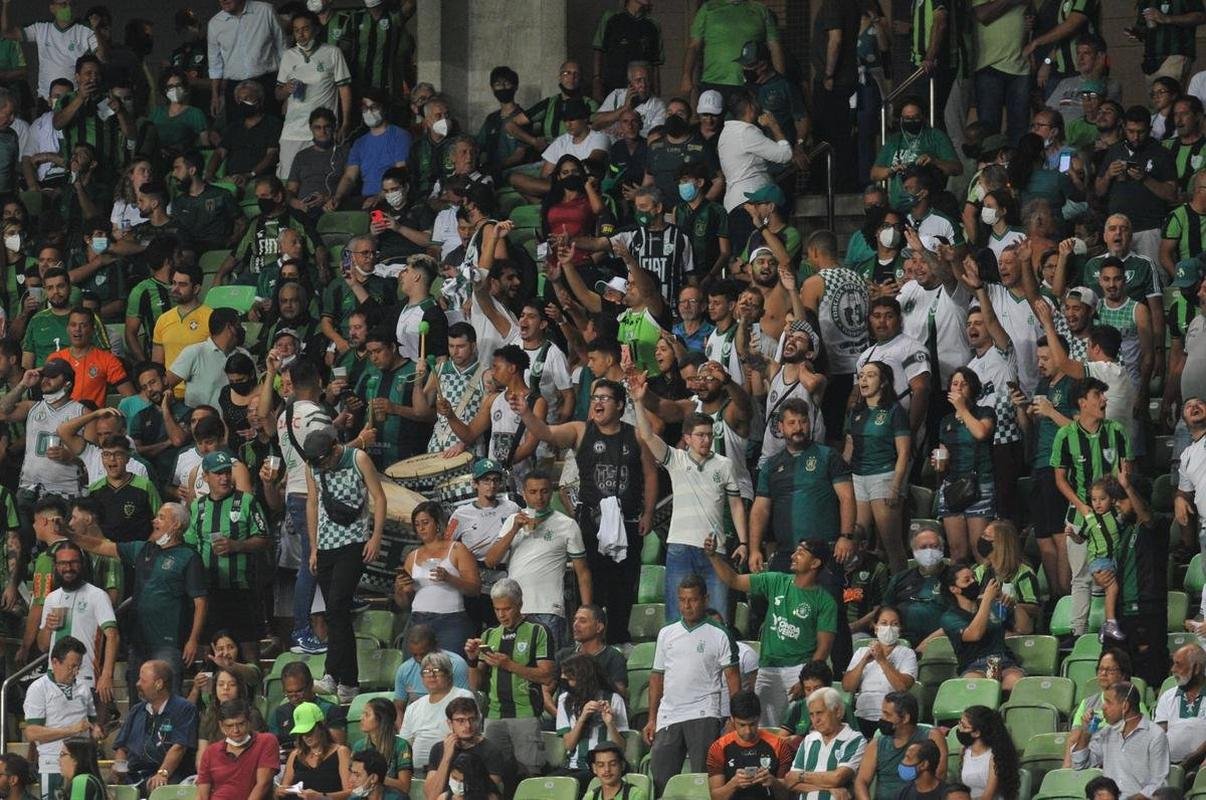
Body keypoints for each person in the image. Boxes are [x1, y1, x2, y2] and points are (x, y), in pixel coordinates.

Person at [514, 377, 655, 645]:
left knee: (623, 589)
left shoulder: (636, 435)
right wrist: (526, 414)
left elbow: (650, 474)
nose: (597, 403)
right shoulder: (580, 430)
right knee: (593, 587)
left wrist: (648, 513)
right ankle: (589, 643)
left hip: (627, 521)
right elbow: (546, 433)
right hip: (591, 523)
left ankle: (618, 644)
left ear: (620, 405)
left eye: (604, 398)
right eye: (594, 398)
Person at [746, 397, 854, 668]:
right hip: (787, 553)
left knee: (833, 613)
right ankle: (781, 668)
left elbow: (847, 497)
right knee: (773, 610)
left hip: (824, 553)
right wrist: (754, 548)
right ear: (780, 427)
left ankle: (841, 675)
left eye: (803, 421)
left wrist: (846, 536)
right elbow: (760, 509)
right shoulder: (771, 465)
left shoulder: (828, 456)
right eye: (792, 422)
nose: (798, 428)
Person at [630, 374, 744, 621]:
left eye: (709, 435)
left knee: (718, 619)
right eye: (700, 435)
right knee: (677, 618)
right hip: (680, 547)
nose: (706, 440)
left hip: (715, 549)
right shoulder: (676, 459)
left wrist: (744, 541)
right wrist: (638, 402)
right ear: (687, 438)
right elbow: (648, 436)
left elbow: (736, 505)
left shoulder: (724, 464)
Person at [74, 503, 206, 688]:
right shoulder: (143, 549)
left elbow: (200, 602)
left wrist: (193, 640)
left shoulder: (189, 557)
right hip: (138, 642)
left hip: (168, 643)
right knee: (137, 696)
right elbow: (100, 545)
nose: (154, 521)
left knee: (166, 696)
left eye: (161, 517)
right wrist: (69, 535)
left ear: (176, 524)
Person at [302, 426, 385, 704]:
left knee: (338, 605)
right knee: (334, 613)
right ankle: (335, 676)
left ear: (335, 447)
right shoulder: (312, 466)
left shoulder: (357, 458)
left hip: (354, 541)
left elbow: (379, 497)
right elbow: (312, 503)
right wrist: (313, 546)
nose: (323, 466)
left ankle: (345, 679)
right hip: (325, 544)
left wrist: (375, 536)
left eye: (325, 460)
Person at [643, 574, 739, 796]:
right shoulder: (666, 633)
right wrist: (652, 718)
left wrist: (734, 718)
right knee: (661, 782)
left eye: (693, 600)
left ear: (705, 599)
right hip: (669, 715)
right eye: (682, 600)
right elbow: (657, 677)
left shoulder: (720, 634)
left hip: (704, 712)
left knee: (704, 781)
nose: (687, 606)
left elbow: (734, 680)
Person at [484, 472, 589, 652]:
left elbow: (583, 572)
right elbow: (490, 560)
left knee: (550, 664)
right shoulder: (512, 521)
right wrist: (514, 530)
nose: (539, 497)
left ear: (551, 493)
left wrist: (586, 611)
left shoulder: (567, 525)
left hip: (549, 609)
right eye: (533, 492)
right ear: (524, 494)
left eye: (544, 491)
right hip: (515, 610)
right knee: (519, 662)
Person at [465, 578, 553, 778]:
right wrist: (472, 660)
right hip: (493, 716)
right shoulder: (488, 635)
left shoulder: (538, 631)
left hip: (525, 713)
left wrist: (509, 665)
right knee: (494, 775)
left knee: (530, 775)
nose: (501, 615)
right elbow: (475, 683)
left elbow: (547, 676)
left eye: (507, 609)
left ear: (520, 604)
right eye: (497, 609)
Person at [843, 361, 911, 573]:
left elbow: (904, 452)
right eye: (861, 375)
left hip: (884, 476)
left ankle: (900, 586)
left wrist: (896, 487)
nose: (863, 379)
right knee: (855, 536)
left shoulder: (894, 411)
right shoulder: (855, 412)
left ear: (883, 383)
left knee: (891, 543)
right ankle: (858, 586)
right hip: (858, 477)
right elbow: (848, 451)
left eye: (870, 375)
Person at [395, 501, 479, 661]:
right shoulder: (412, 556)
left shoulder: (457, 549)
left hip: (451, 620)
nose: (421, 528)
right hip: (418, 619)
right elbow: (403, 603)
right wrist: (401, 590)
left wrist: (449, 578)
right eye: (417, 524)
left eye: (425, 522)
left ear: (438, 523)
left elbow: (474, 588)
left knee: (450, 666)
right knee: (415, 668)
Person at [273, 11, 351, 180]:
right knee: (288, 178)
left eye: (305, 29)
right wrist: (286, 89)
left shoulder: (332, 52)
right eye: (296, 30)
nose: (301, 34)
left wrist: (345, 124)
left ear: (316, 29)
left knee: (321, 179)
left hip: (322, 130)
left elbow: (344, 89)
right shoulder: (289, 56)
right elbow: (278, 94)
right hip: (293, 130)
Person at [36, 541, 117, 700]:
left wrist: (107, 675)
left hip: (85, 678)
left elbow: (113, 636)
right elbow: (43, 646)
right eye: (62, 563)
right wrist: (47, 628)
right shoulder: (51, 598)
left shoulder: (97, 595)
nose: (68, 568)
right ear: (56, 566)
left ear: (82, 564)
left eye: (73, 562)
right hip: (54, 679)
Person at [23, 636, 99, 800]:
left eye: (78, 666)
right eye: (71, 666)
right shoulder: (39, 688)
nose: (76, 671)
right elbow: (32, 732)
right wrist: (71, 730)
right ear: (55, 662)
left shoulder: (83, 688)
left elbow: (93, 723)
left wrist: (97, 730)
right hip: (53, 764)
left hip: (83, 764)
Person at [716, 89, 792, 250]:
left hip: (734, 203)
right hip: (750, 204)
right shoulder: (746, 132)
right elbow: (785, 155)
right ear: (750, 107)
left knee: (746, 256)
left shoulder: (726, 132)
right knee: (758, 254)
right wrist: (774, 125)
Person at [1071, 682, 1171, 797]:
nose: (1103, 707)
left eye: (1108, 702)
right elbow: (1080, 764)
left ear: (1125, 706)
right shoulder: (1106, 732)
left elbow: (1159, 783)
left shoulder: (1155, 735)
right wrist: (1086, 733)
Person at [114, 660, 199, 789]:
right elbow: (121, 747)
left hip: (170, 775)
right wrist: (119, 768)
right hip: (134, 775)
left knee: (158, 787)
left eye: (143, 680)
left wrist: (162, 773)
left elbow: (179, 747)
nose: (137, 684)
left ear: (159, 684)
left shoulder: (184, 709)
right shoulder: (136, 710)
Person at [939, 563, 1024, 690]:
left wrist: (1015, 605)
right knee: (975, 684)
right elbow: (974, 634)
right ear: (954, 589)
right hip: (973, 666)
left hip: (1004, 662)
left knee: (1014, 681)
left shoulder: (994, 605)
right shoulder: (950, 617)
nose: (973, 582)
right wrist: (987, 600)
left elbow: (1024, 628)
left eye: (974, 577)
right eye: (967, 580)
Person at [853, 691, 949, 800]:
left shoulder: (932, 736)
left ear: (905, 718)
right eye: (882, 713)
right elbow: (861, 781)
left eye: (887, 714)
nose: (882, 718)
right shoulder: (877, 744)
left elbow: (939, 775)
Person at [327, 89, 412, 210]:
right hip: (365, 199)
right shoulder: (359, 143)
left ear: (384, 108)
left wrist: (380, 196)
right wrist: (337, 197)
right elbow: (349, 177)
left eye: (374, 107)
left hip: (390, 197)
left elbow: (400, 172)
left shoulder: (400, 136)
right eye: (365, 108)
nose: (369, 112)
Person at [871, 101, 962, 211]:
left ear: (923, 117)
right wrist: (892, 170)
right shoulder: (893, 141)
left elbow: (957, 168)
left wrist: (935, 162)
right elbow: (874, 174)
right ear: (901, 119)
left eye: (915, 117)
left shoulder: (936, 136)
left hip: (928, 206)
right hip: (899, 207)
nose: (912, 121)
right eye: (907, 118)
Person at [842, 607, 918, 739]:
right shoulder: (861, 652)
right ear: (875, 627)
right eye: (884, 623)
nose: (889, 628)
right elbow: (847, 686)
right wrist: (863, 662)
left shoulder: (907, 653)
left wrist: (882, 660)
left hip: (891, 719)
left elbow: (902, 687)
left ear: (900, 629)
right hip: (862, 716)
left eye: (894, 624)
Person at [554, 654, 628, 788]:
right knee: (548, 784)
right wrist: (582, 718)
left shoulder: (614, 699)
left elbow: (621, 747)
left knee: (568, 785)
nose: (568, 683)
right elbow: (569, 745)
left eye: (571, 679)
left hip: (600, 768)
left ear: (583, 678)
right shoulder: (564, 700)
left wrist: (610, 723)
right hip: (573, 765)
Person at [706, 689, 794, 799]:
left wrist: (773, 782)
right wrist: (733, 784)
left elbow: (788, 795)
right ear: (732, 719)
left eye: (752, 724)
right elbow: (715, 797)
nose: (748, 731)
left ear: (759, 718)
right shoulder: (718, 748)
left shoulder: (779, 745)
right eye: (742, 725)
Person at [206, 0, 285, 119]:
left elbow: (283, 49)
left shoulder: (265, 11)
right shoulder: (214, 24)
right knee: (237, 129)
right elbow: (215, 65)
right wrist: (215, 96)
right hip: (234, 87)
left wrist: (285, 90)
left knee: (271, 125)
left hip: (267, 83)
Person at [398, 651, 475, 773]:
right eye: (426, 671)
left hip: (453, 770)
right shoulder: (413, 707)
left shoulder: (462, 696)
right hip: (415, 772)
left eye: (437, 670)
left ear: (448, 674)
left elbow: (470, 734)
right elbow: (404, 744)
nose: (431, 675)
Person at [423, 696, 507, 800]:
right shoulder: (438, 749)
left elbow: (490, 795)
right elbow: (431, 796)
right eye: (460, 720)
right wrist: (446, 757)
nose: (468, 725)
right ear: (450, 723)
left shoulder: (491, 751)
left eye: (472, 719)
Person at [196, 699, 278, 800]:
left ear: (249, 722)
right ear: (221, 726)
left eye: (241, 724)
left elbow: (263, 784)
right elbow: (202, 795)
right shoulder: (211, 752)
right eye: (229, 726)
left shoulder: (266, 741)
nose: (236, 730)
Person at [971, 521, 1042, 635]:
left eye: (986, 536)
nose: (982, 539)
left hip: (1016, 630)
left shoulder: (1024, 573)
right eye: (983, 535)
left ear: (1000, 544)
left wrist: (1014, 605)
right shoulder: (980, 571)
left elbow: (1035, 609)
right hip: (986, 628)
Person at [277, 702, 352, 799]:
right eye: (302, 733)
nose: (306, 736)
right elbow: (283, 789)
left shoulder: (341, 752)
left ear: (321, 727)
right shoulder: (296, 755)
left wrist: (321, 797)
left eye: (310, 731)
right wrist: (280, 791)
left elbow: (350, 793)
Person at [392, 626, 471, 712]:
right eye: (415, 655)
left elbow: (464, 704)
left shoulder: (456, 665)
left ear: (435, 645)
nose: (419, 659)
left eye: (424, 654)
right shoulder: (404, 670)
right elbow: (398, 708)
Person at [352, 698, 412, 800]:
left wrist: (376, 777)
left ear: (382, 719)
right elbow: (353, 782)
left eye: (367, 714)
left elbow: (405, 787)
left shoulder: (401, 745)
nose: (361, 718)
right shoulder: (359, 746)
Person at [955, 706, 1020, 800]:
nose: (960, 729)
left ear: (977, 732)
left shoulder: (995, 757)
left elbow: (987, 797)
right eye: (960, 723)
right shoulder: (965, 751)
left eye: (964, 726)